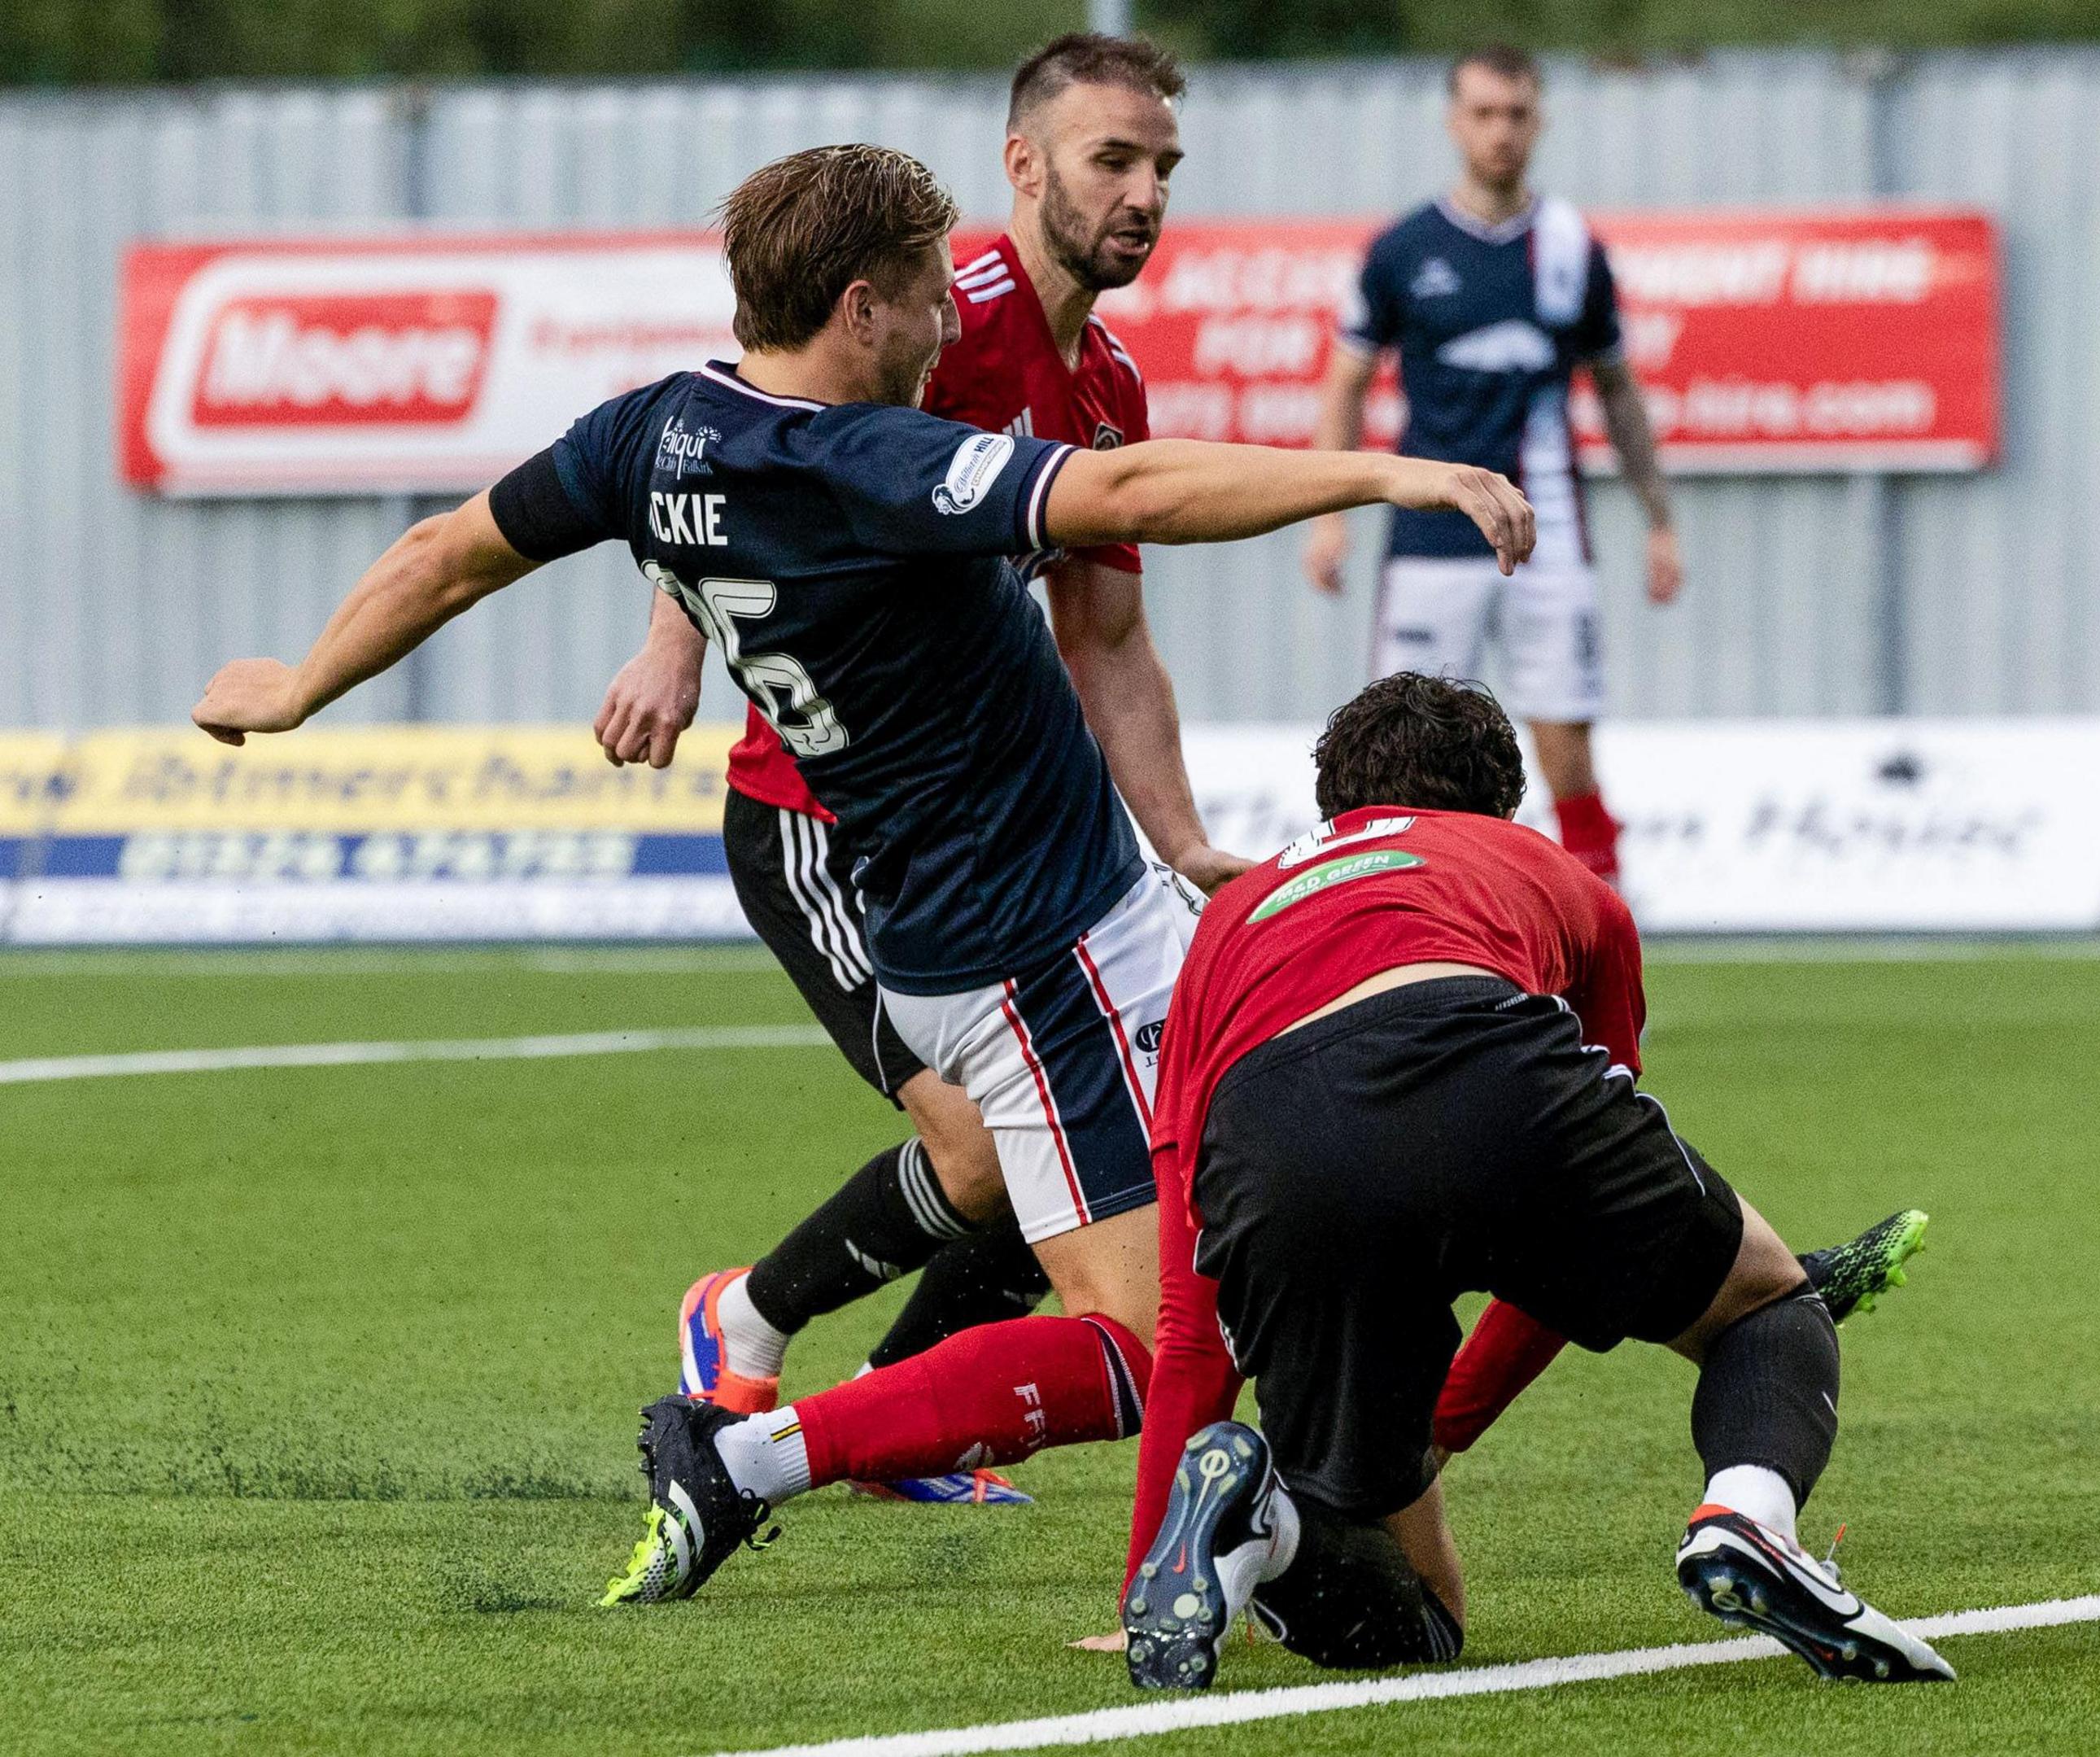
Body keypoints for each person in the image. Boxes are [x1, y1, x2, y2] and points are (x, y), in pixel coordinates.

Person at [186, 140, 1543, 1607]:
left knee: (1270, 1225)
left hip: (997, 926)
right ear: (858, 310)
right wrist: (1388, 470)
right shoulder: (861, 465)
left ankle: (1362, 1540)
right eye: (921, 298)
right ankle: (768, 1458)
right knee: (1158, 1334)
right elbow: (1129, 486)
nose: (952, 323)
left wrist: (301, 683)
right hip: (1046, 952)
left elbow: (450, 551)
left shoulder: (655, 432)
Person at [591, 34, 1240, 1496]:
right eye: (1111, 162)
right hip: (813, 817)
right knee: (987, 1146)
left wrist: (1184, 840)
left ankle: (901, 1408)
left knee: (1055, 1141)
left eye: (1163, 170)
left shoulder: (1104, 384)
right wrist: (674, 637)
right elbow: (746, 451)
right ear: (1024, 168)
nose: (1143, 196)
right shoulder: (947, 320)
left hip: (974, 843)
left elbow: (1112, 641)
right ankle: (744, 1315)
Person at [1120, 674, 1952, 1690]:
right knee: (1769, 1304)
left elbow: (1188, 1308)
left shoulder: (1232, 916)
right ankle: (1748, 1518)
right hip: (1481, 1059)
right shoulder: (1536, 862)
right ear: (1500, 803)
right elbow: (1561, 1232)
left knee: (1419, 1614)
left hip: (1272, 1142)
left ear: (1332, 808)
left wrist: (1141, 1572)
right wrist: (1457, 1416)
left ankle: (1274, 1525)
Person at [1299, 43, 1679, 888]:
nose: (1500, 132)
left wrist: (1659, 517)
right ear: (1453, 120)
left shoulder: (1574, 247)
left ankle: (1598, 949)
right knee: (1400, 751)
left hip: (1549, 533)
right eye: (1483, 113)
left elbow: (1616, 390)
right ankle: (1406, 933)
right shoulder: (1402, 249)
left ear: (1538, 120)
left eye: (1516, 114)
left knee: (1567, 746)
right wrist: (1328, 517)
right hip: (1432, 538)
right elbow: (1345, 388)